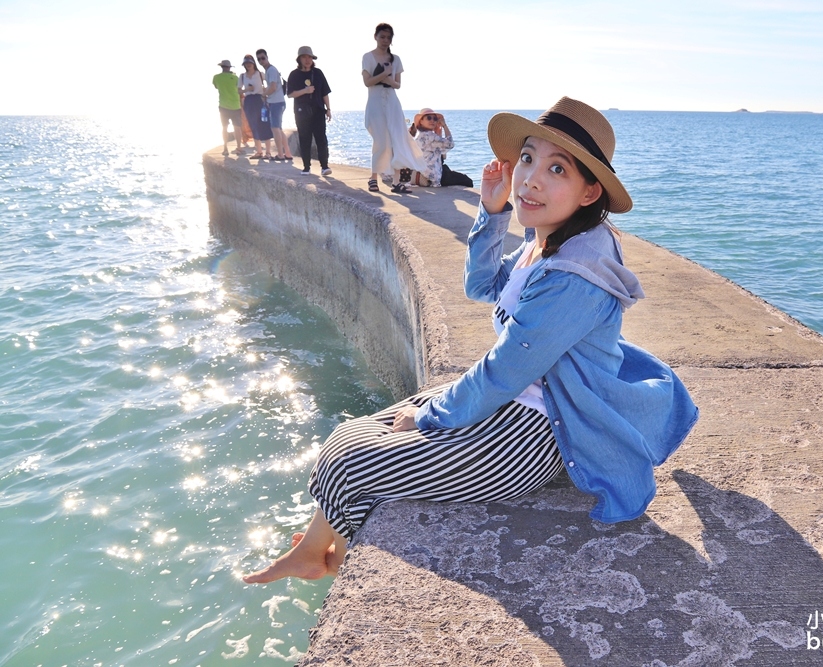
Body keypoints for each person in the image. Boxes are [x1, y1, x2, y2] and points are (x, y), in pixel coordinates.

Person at [241, 97, 699, 585]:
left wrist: (432, 414)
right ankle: (315, 550)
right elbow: (481, 286)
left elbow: (506, 371)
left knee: (349, 463)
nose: (531, 179)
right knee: (346, 437)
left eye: (557, 169)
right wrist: (492, 210)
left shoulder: (574, 275)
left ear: (589, 194)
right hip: (512, 406)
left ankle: (334, 556)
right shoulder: (547, 240)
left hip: (535, 435)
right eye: (526, 159)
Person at [362, 23, 424, 194]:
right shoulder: (368, 57)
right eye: (382, 36)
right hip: (375, 101)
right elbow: (367, 82)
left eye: (389, 37)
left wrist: (387, 78)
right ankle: (373, 178)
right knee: (381, 141)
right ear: (376, 37)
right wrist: (384, 74)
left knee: (397, 139)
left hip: (392, 102)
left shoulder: (395, 59)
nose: (385, 40)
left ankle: (397, 182)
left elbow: (397, 84)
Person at [286, 46, 332, 176]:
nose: (307, 60)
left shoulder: (318, 73)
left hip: (318, 110)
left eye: (309, 57)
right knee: (304, 139)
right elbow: (290, 94)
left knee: (321, 139)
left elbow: (325, 93)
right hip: (301, 112)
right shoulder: (294, 75)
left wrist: (328, 109)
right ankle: (306, 167)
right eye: (304, 57)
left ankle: (324, 166)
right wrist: (305, 91)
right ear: (299, 59)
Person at [409, 108, 473, 187]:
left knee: (448, 170)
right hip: (432, 175)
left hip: (423, 171)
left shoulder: (420, 135)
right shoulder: (430, 136)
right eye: (429, 118)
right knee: (467, 181)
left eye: (435, 119)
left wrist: (437, 130)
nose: (432, 120)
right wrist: (444, 126)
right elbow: (450, 144)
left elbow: (442, 152)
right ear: (421, 121)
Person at [256, 49, 293, 163]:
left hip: (276, 103)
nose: (261, 61)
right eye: (259, 59)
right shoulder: (269, 70)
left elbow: (272, 87)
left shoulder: (271, 70)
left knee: (275, 128)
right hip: (278, 102)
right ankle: (287, 153)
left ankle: (280, 155)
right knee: (279, 129)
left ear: (267, 57)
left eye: (263, 58)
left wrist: (264, 94)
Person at [239, 55, 274, 160]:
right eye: (246, 63)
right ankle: (259, 151)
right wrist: (247, 89)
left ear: (253, 63)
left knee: (264, 124)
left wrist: (265, 92)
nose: (248, 65)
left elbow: (270, 84)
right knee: (253, 125)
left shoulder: (260, 74)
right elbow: (239, 91)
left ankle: (268, 152)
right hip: (249, 101)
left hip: (260, 100)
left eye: (250, 62)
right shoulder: (242, 76)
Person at [212, 60, 245, 156]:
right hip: (235, 105)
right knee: (237, 128)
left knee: (224, 127)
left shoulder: (216, 77)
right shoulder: (235, 78)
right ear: (229, 67)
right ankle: (239, 148)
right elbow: (239, 89)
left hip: (223, 106)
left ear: (221, 67)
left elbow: (216, 86)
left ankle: (225, 148)